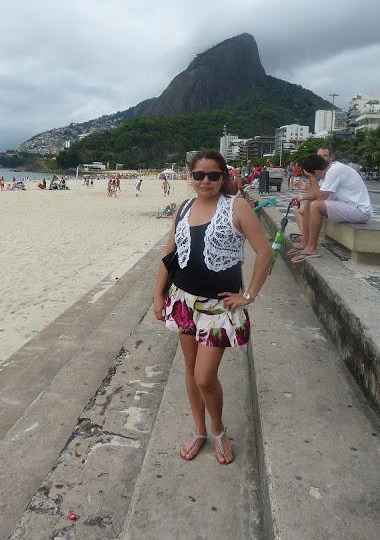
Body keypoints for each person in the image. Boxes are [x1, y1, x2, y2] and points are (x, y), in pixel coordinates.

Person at [153, 150, 271, 465]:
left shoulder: (238, 207)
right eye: (199, 175)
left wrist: (249, 294)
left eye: (213, 175)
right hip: (183, 300)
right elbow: (170, 254)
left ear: (224, 177)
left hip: (218, 307)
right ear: (190, 177)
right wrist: (157, 294)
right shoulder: (183, 208)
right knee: (190, 369)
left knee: (205, 376)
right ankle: (199, 431)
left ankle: (218, 431)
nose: (206, 181)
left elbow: (264, 252)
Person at [288, 154, 373, 263]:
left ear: (317, 171)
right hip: (348, 206)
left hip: (359, 211)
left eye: (313, 175)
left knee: (316, 206)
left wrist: (312, 178)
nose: (315, 177)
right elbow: (318, 194)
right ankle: (305, 242)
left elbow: (321, 197)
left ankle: (311, 248)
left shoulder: (335, 171)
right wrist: (300, 197)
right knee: (310, 203)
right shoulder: (329, 171)